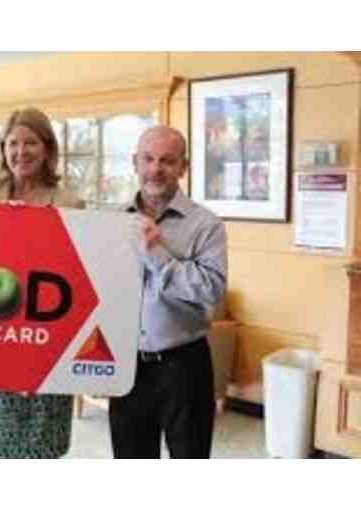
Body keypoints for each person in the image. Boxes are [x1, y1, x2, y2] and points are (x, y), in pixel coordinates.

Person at [0, 107, 85, 458]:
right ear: (2, 149)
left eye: (30, 142)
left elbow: (74, 277)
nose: (20, 152)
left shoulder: (70, 202)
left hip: (42, 334)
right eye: (12, 143)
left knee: (41, 448)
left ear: (47, 148)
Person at [109, 126, 228, 459]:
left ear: (183, 167)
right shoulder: (112, 221)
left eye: (167, 160)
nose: (156, 169)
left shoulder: (206, 225)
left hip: (184, 365)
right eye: (148, 159)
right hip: (126, 365)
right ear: (135, 162)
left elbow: (212, 289)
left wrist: (157, 254)